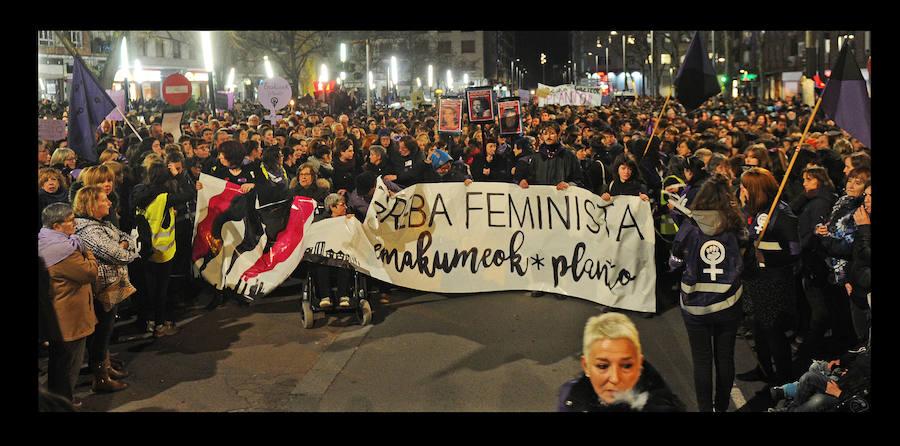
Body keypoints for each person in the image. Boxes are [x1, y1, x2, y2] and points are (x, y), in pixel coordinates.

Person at [668, 175, 752, 412]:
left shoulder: (689, 227)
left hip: (695, 305)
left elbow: (673, 262)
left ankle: (705, 409)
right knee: (725, 358)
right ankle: (722, 408)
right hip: (728, 304)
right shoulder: (737, 228)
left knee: (702, 361)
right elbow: (749, 265)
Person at [736, 167, 800, 385]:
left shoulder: (782, 214)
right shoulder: (751, 210)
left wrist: (763, 250)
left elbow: (793, 251)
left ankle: (784, 381)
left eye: (744, 186)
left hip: (773, 282)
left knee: (773, 333)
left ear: (755, 190)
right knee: (759, 329)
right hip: (754, 279)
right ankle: (763, 368)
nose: (740, 190)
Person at [73, 185, 140, 393]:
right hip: (103, 289)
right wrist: (126, 248)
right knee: (102, 332)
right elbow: (121, 254)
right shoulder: (89, 230)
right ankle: (100, 378)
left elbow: (128, 239)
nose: (110, 203)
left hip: (112, 286)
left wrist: (125, 244)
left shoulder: (103, 224)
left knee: (107, 329)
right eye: (105, 200)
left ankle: (106, 367)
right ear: (92, 205)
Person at [558, 312, 685, 412]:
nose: (615, 378)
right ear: (586, 365)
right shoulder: (571, 397)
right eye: (603, 366)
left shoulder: (657, 404)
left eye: (626, 366)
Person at [38, 202, 98, 407]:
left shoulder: (44, 241)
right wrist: (88, 253)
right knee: (69, 362)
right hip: (70, 315)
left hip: (56, 313)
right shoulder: (64, 251)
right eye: (70, 220)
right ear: (57, 226)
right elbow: (89, 272)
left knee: (59, 361)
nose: (75, 223)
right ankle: (66, 401)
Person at [132, 161, 198, 336]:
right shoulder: (164, 197)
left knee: (149, 288)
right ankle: (160, 325)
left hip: (145, 249)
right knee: (160, 290)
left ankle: (149, 321)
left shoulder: (141, 194)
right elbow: (190, 194)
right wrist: (178, 174)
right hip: (161, 251)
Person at [790, 165, 838, 367]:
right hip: (808, 261)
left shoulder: (820, 204)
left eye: (808, 180)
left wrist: (799, 248)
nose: (804, 183)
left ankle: (809, 349)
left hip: (813, 264)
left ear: (819, 181)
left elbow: (814, 233)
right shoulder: (812, 200)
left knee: (818, 310)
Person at [310, 193, 355, 308]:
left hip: (342, 255)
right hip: (325, 256)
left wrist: (352, 223)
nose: (345, 207)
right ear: (332, 207)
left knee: (344, 261)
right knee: (320, 264)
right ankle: (325, 297)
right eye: (342, 205)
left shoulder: (348, 219)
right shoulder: (319, 221)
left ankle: (343, 296)